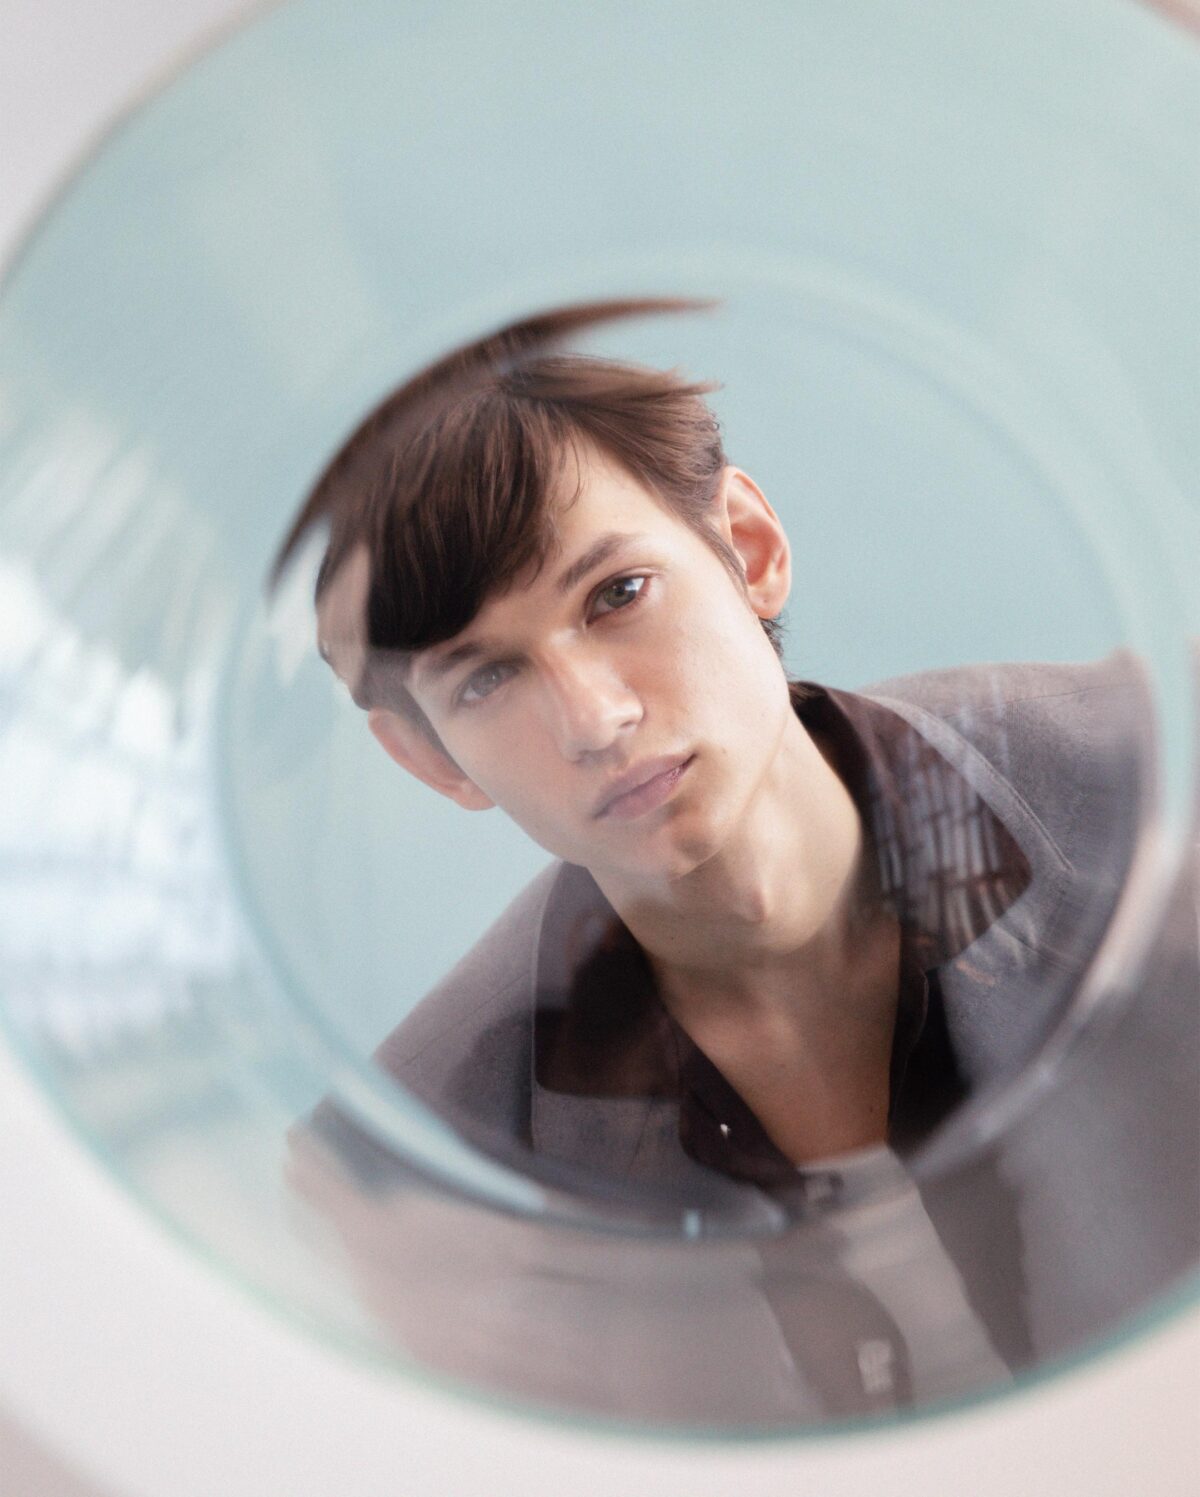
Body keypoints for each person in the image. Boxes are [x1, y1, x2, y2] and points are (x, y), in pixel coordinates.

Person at [275, 298, 1198, 1409]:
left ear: (749, 549)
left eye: (617, 594)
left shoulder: (1170, 786)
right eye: (487, 678)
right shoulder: (403, 1187)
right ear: (430, 758)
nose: (594, 717)